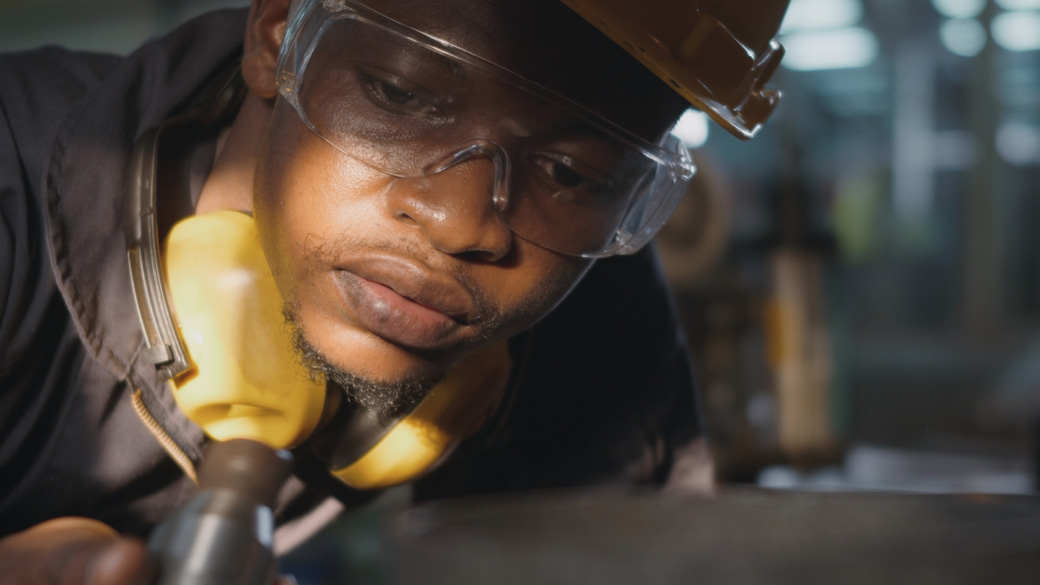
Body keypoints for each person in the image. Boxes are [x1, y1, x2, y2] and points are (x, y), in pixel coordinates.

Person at [0, 0, 789, 582]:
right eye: (400, 94)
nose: (461, 223)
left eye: (572, 171)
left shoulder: (581, 289)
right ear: (279, 32)